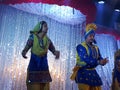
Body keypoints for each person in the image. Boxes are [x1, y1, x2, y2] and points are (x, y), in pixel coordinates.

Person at [21, 21, 60, 90]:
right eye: (45, 26)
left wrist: (56, 53)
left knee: (44, 86)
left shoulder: (47, 40)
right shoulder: (33, 37)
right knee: (33, 86)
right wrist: (24, 52)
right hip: (34, 66)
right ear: (40, 27)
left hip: (44, 67)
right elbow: (27, 46)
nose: (47, 28)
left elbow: (53, 49)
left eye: (47, 26)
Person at [70, 23, 108, 90]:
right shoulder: (80, 47)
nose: (92, 38)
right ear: (86, 36)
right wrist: (99, 62)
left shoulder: (96, 47)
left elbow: (99, 57)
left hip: (93, 72)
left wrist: (102, 61)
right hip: (83, 73)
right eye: (90, 36)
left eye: (93, 36)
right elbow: (86, 59)